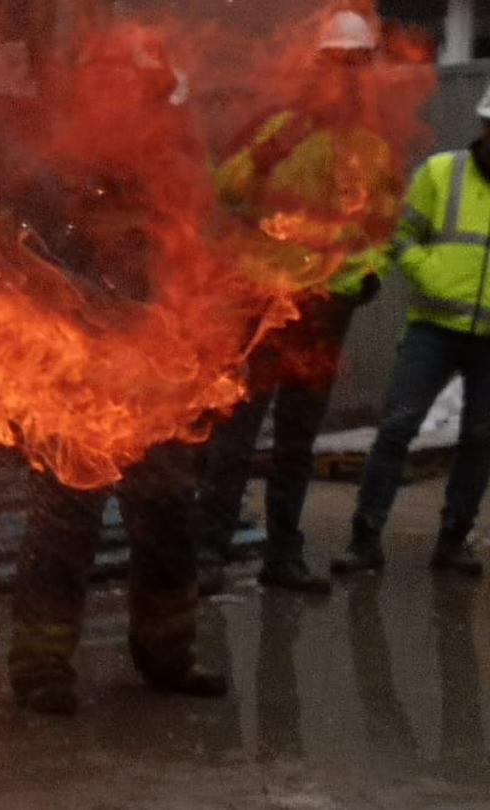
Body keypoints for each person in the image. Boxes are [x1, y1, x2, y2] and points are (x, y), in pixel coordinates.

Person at [8, 33, 229, 718]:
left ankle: (166, 653)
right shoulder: (70, 166)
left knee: (167, 516)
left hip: (155, 369)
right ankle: (42, 665)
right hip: (80, 371)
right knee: (66, 521)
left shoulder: (178, 170)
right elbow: (39, 266)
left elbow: (196, 262)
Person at [197, 10, 400, 595]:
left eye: (358, 65)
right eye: (339, 63)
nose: (350, 77)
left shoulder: (373, 149)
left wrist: (368, 275)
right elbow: (227, 191)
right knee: (238, 432)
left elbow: (378, 231)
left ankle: (282, 555)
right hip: (265, 302)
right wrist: (267, 154)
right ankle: (210, 549)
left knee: (296, 439)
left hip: (325, 309)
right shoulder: (283, 128)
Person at [336, 81, 490, 580]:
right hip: (433, 328)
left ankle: (453, 542)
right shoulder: (443, 173)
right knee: (397, 427)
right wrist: (432, 275)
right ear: (485, 126)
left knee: (479, 440)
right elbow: (401, 236)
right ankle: (365, 540)